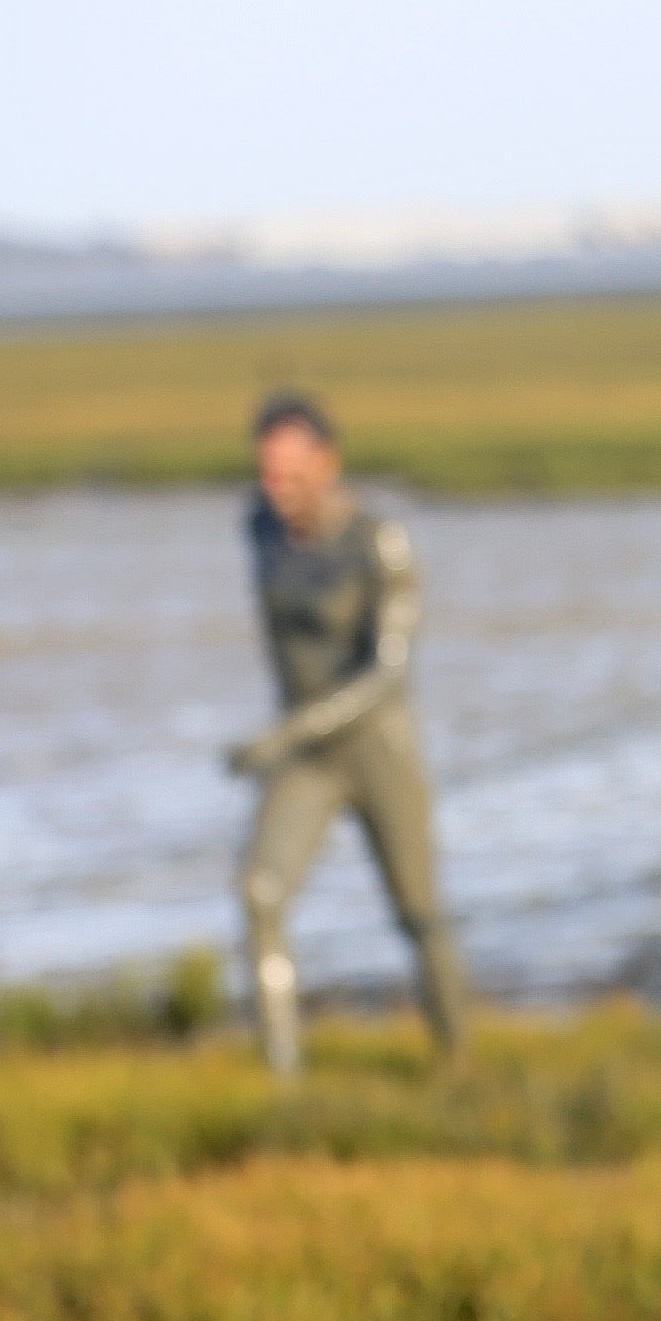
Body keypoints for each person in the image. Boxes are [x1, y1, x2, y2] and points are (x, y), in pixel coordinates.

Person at [227, 390, 470, 1077]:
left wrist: (284, 734)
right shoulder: (259, 531)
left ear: (328, 464)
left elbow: (386, 673)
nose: (278, 490)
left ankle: (459, 1065)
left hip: (377, 748)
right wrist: (290, 740)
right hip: (305, 758)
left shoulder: (378, 544)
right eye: (267, 474)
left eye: (293, 473)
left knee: (418, 911)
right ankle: (284, 1082)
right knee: (259, 893)